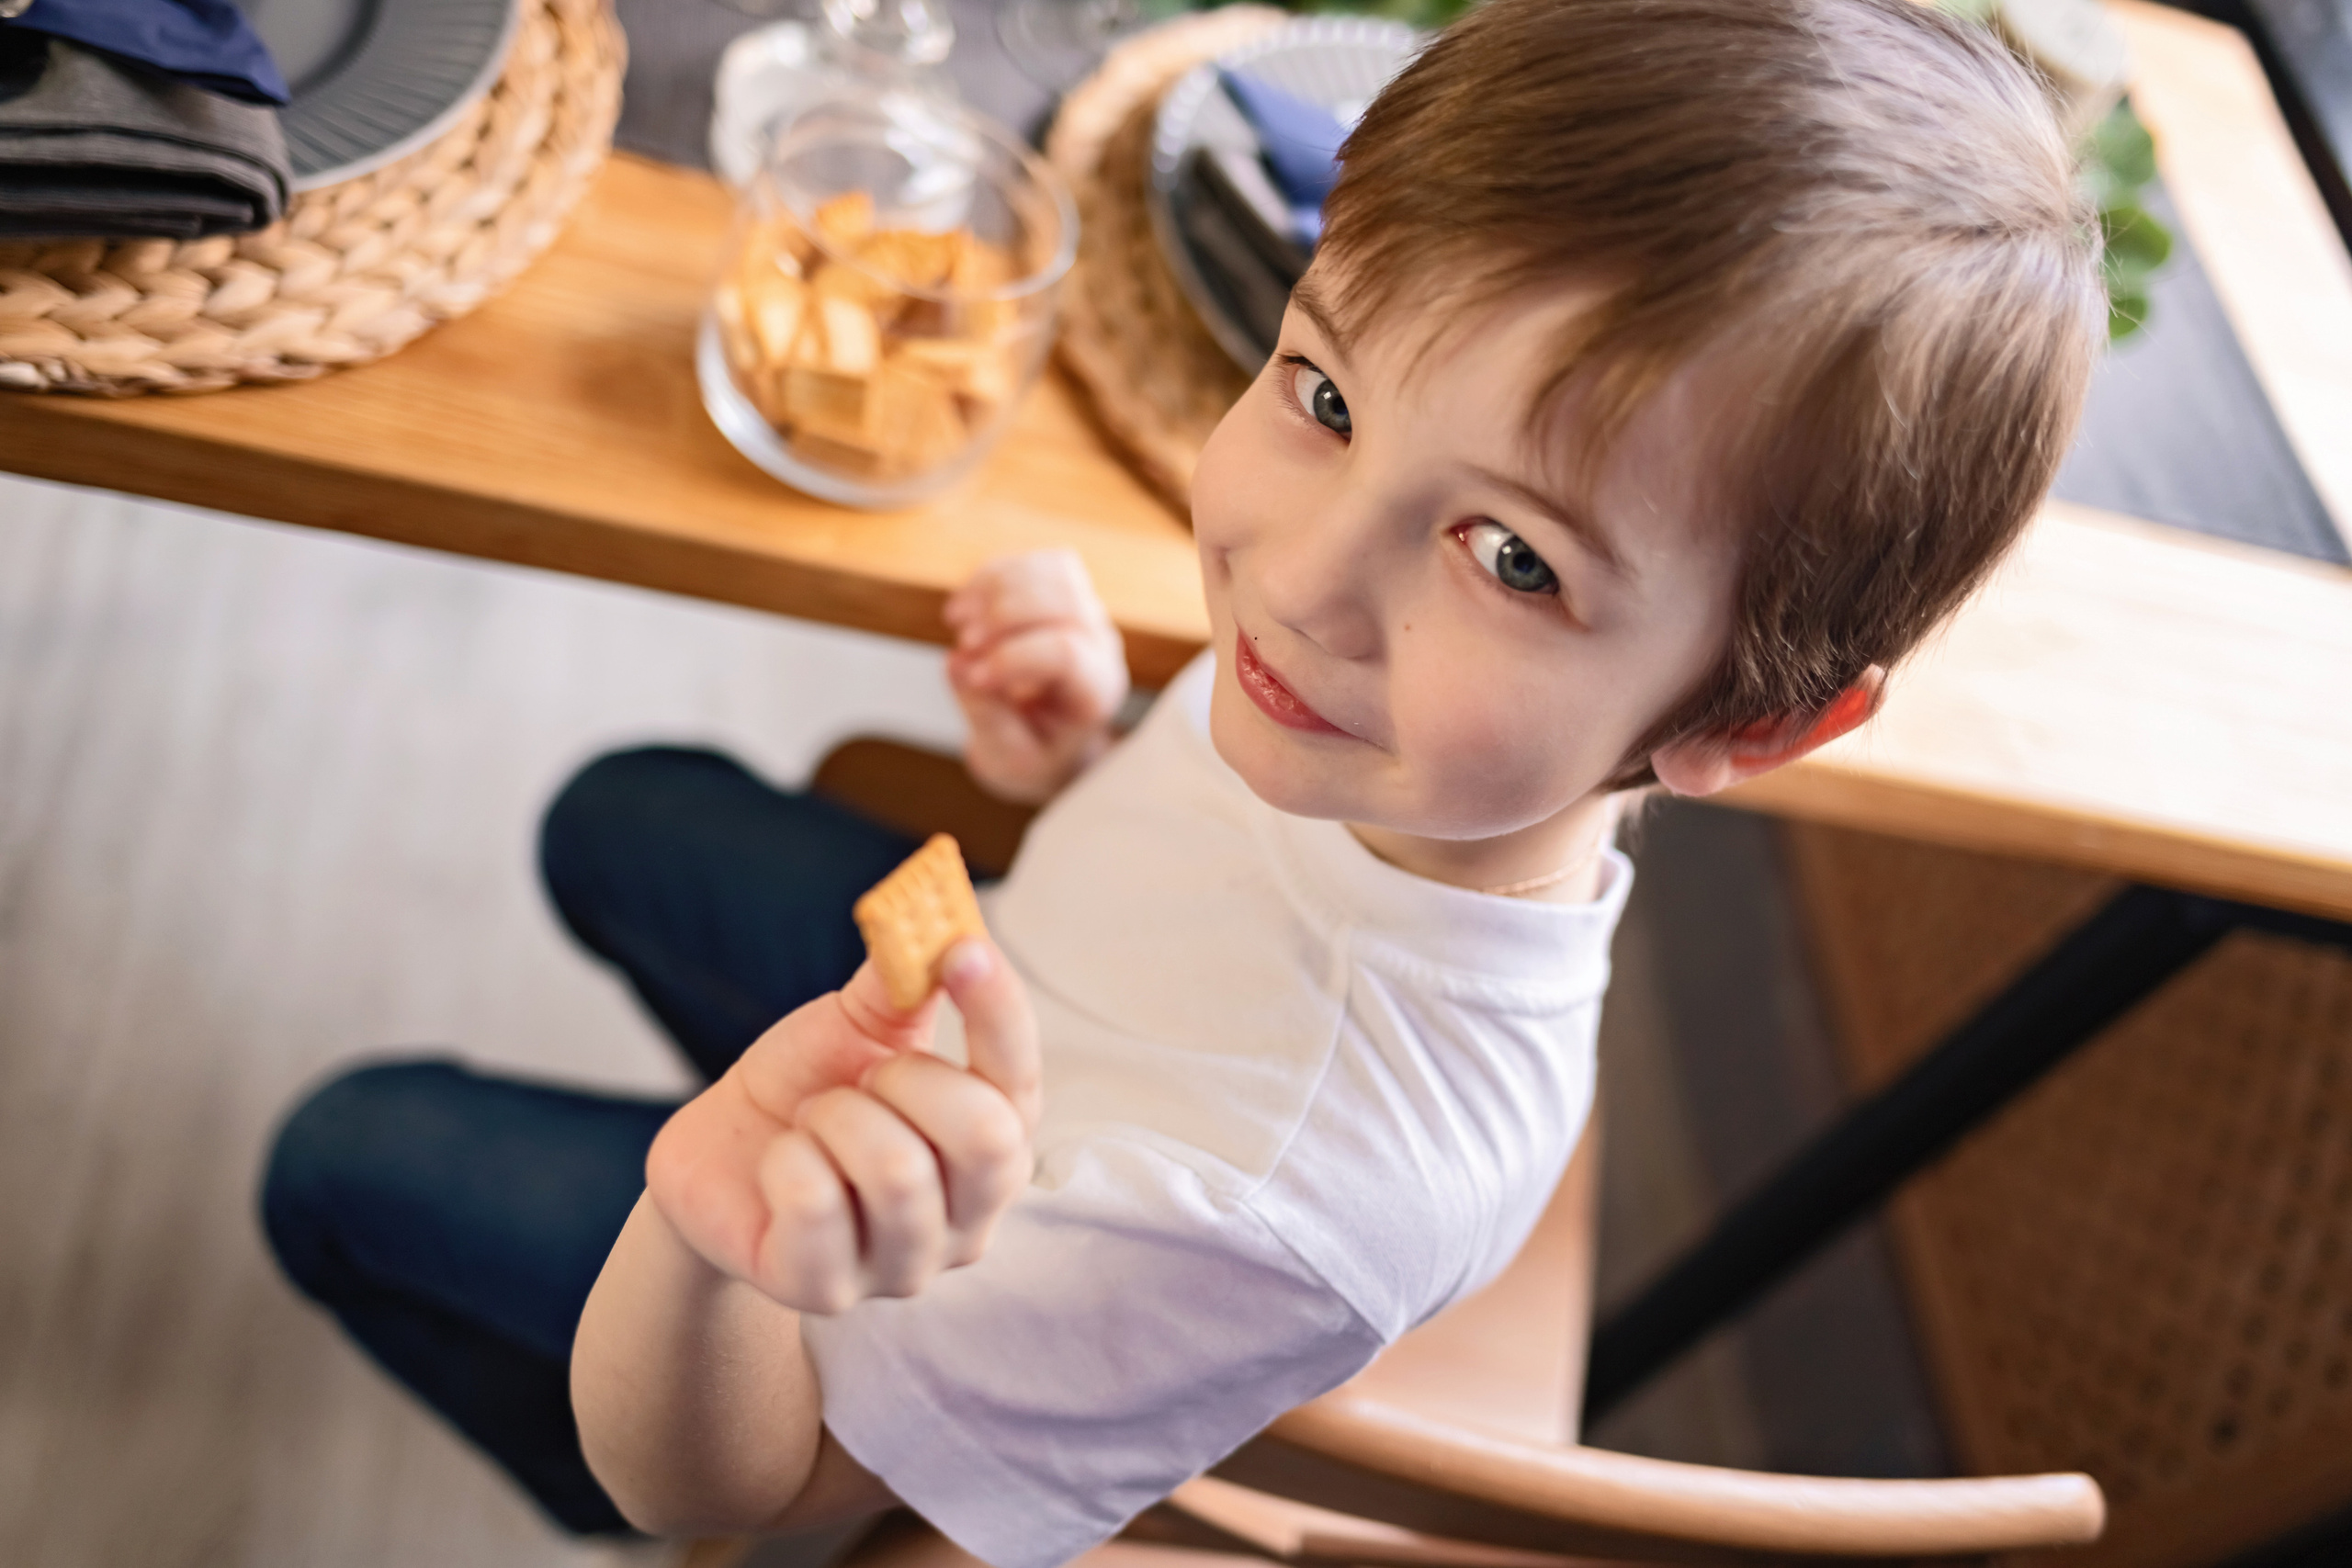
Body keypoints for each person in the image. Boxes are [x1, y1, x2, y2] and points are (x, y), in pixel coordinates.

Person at [258, 0, 2104, 1560]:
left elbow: (766, 1501)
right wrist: (1087, 749)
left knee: (340, 1155)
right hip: (1017, 976)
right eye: (1320, 393)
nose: (1292, 581)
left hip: (844, 1318)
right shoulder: (1393, 744)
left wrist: (711, 1226)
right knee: (620, 809)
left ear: (1751, 725)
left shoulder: (1282, 1191)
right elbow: (1225, 878)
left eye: (1511, 557)